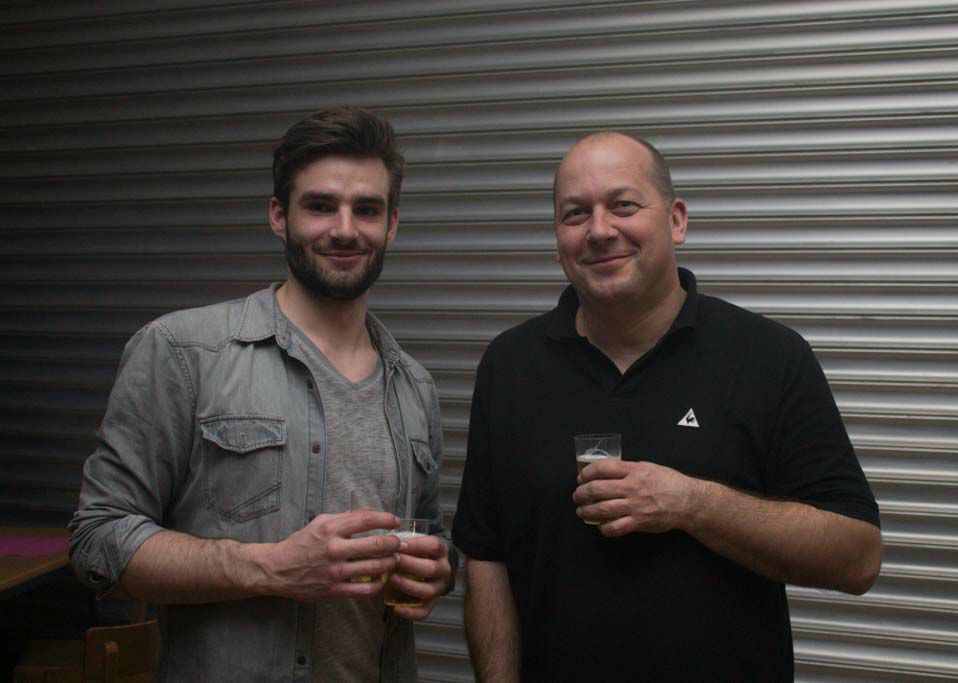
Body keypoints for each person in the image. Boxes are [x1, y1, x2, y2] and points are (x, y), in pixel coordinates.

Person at [452, 131, 882, 681]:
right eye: (575, 214)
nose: (599, 230)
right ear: (557, 239)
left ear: (676, 220)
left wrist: (690, 503)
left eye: (623, 206)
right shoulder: (510, 366)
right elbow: (487, 556)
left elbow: (857, 557)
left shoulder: (767, 356)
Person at [69, 107, 456, 682]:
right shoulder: (183, 351)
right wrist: (270, 568)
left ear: (392, 224)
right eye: (320, 205)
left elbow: (430, 535)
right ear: (279, 216)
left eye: (367, 209)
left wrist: (436, 573)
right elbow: (99, 539)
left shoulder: (413, 387)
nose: (345, 230)